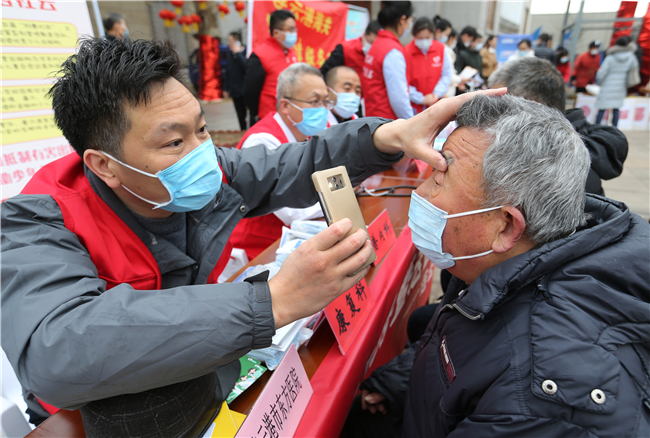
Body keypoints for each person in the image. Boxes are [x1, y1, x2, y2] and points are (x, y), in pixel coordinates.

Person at [1, 36, 496, 435]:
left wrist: (384, 138)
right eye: (174, 141)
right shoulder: (35, 225)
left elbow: (288, 165)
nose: (202, 154)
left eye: (202, 130)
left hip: (192, 378)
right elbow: (57, 350)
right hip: (99, 416)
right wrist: (273, 300)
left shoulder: (191, 175)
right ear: (105, 165)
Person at [342, 93, 650, 438]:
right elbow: (465, 349)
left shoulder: (541, 403)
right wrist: (396, 382)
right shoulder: (504, 263)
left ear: (505, 226)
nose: (421, 193)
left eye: (438, 179)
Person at [231, 63, 331, 261]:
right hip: (257, 252)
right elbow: (296, 212)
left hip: (289, 243)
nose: (322, 110)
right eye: (314, 102)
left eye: (325, 102)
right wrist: (340, 188)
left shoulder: (306, 134)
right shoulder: (262, 142)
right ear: (285, 106)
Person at [488, 56, 628, 196]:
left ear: (533, 107)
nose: (491, 114)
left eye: (499, 105)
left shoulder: (560, 171)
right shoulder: (572, 147)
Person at [362, 1, 414, 119]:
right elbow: (399, 99)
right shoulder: (392, 51)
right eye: (410, 20)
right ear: (402, 20)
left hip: (373, 118)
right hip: (387, 122)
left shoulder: (378, 44)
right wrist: (412, 122)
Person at [244, 9, 297, 124]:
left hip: (290, 117)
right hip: (269, 119)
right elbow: (250, 91)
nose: (294, 34)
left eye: (295, 29)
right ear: (276, 33)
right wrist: (256, 114)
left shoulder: (290, 52)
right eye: (290, 30)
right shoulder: (260, 55)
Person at [405, 17, 452, 114]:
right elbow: (403, 83)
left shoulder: (441, 49)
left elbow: (446, 74)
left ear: (432, 35)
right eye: (420, 38)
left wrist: (436, 94)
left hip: (436, 103)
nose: (424, 41)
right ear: (414, 35)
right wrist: (421, 99)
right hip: (414, 107)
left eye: (427, 38)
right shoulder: (406, 52)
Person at [595, 37, 639, 127]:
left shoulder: (610, 57)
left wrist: (600, 81)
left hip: (607, 85)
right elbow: (634, 70)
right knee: (616, 109)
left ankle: (596, 127)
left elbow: (601, 72)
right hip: (621, 86)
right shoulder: (631, 57)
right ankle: (614, 129)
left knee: (602, 109)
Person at [223, 31, 247, 130]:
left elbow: (246, 67)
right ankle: (243, 130)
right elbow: (228, 73)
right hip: (235, 90)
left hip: (246, 90)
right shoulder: (230, 54)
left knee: (249, 114)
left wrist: (238, 54)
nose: (229, 43)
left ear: (237, 41)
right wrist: (226, 88)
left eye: (231, 41)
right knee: (240, 114)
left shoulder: (246, 51)